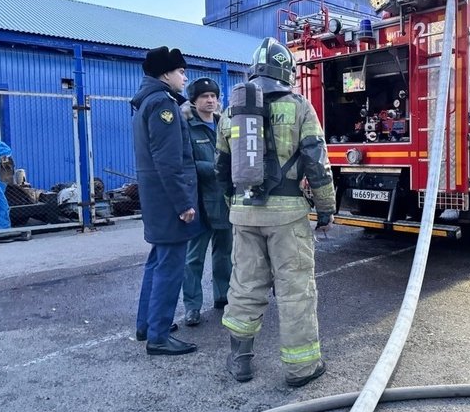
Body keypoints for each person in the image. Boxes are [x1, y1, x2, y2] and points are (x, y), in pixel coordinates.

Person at [214, 37, 336, 387]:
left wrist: (233, 207)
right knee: (295, 290)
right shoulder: (299, 106)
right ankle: (302, 368)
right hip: (287, 217)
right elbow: (316, 161)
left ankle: (240, 362)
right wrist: (326, 209)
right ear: (287, 72)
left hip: (243, 213)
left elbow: (220, 168)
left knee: (245, 286)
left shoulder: (230, 112)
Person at [131, 46, 202, 356]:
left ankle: (147, 325)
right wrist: (184, 204)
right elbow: (169, 161)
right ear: (165, 73)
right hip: (168, 199)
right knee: (170, 267)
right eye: (181, 71)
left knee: (156, 262)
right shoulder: (163, 105)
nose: (184, 77)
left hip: (155, 198)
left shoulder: (146, 101)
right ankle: (159, 335)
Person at [180, 77, 233, 327]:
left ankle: (223, 297)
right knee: (194, 258)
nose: (210, 100)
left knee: (224, 254)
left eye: (213, 96)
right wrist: (217, 168)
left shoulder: (225, 124)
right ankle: (192, 306)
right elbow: (185, 163)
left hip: (224, 200)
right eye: (204, 96)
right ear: (194, 100)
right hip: (200, 202)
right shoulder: (187, 127)